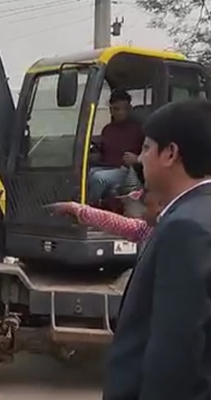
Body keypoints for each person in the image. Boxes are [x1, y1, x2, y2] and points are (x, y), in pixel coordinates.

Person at [103, 99, 211, 400]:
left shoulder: (185, 228)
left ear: (170, 153)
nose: (140, 158)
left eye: (146, 148)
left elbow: (175, 352)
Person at [87, 90, 145, 204]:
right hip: (106, 166)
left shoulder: (139, 130)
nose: (117, 113)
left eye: (121, 109)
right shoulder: (107, 129)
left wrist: (137, 159)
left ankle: (89, 206)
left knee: (98, 178)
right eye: (114, 109)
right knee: (86, 173)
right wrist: (95, 155)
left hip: (126, 171)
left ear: (129, 109)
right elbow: (102, 151)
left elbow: (150, 153)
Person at [48, 188, 159, 244]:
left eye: (147, 205)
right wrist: (75, 208)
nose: (143, 213)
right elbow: (122, 225)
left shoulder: (165, 230)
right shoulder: (150, 229)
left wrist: (76, 209)